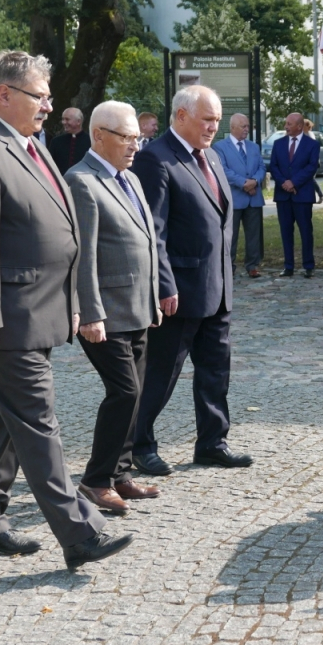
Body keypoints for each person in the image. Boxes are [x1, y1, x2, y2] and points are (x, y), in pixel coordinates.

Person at [0, 50, 132, 569]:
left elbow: (61, 231)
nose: (49, 106)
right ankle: (80, 532)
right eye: (40, 97)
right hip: (4, 320)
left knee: (2, 423)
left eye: (50, 98)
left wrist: (71, 302)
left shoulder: (33, 145)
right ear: (5, 94)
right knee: (38, 420)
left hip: (37, 312)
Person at [130, 85, 253, 476]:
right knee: (160, 375)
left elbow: (220, 222)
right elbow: (154, 232)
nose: (213, 127)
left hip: (216, 289)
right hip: (179, 294)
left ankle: (213, 442)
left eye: (217, 119)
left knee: (216, 370)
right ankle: (138, 444)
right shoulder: (155, 160)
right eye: (207, 119)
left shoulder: (213, 158)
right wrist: (164, 286)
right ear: (181, 116)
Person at [64, 101, 163, 514]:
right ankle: (95, 479)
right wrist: (89, 312)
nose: (135, 146)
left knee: (135, 394)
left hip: (137, 305)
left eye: (138, 138)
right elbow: (81, 254)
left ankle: (121, 473)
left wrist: (155, 298)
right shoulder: (81, 181)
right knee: (123, 391)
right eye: (127, 138)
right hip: (105, 311)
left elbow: (148, 242)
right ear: (99, 135)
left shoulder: (130, 179)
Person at [213, 113, 266, 278]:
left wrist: (255, 181)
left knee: (254, 235)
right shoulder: (220, 147)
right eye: (243, 126)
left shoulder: (254, 146)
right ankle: (229, 266)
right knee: (231, 235)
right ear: (233, 127)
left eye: (248, 126)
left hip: (254, 198)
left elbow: (262, 168)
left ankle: (253, 265)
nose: (247, 129)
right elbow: (224, 171)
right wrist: (244, 184)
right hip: (234, 198)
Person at [269, 112, 321, 278]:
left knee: (306, 231)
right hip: (283, 196)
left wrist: (294, 182)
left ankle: (308, 266)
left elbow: (311, 167)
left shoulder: (312, 145)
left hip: (302, 195)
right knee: (286, 231)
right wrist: (285, 183)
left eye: (289, 124)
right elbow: (274, 166)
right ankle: (288, 266)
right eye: (286, 123)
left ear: (299, 126)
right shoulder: (278, 144)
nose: (286, 126)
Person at [49, 107, 91, 174]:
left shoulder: (91, 142)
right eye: (63, 119)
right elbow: (50, 165)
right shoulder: (56, 141)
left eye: (67, 119)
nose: (63, 122)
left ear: (79, 121)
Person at [302, 119, 323, 204]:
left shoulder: (310, 135)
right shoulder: (304, 134)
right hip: (306, 161)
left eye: (303, 125)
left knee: (310, 179)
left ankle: (321, 195)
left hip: (312, 161)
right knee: (308, 179)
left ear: (307, 126)